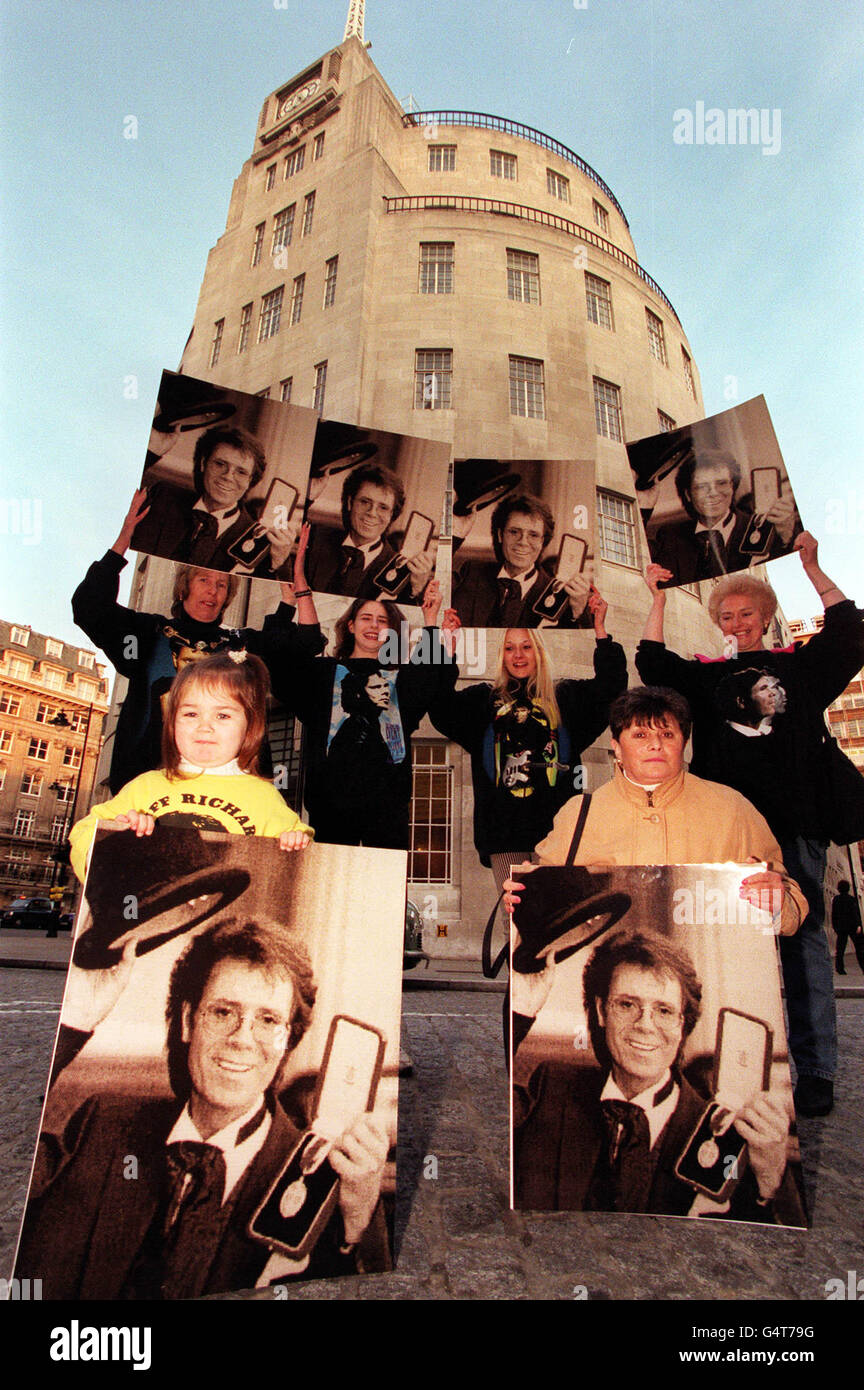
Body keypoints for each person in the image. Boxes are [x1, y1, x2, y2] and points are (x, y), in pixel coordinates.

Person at [14, 919, 390, 1298]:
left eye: (268, 1020)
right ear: (187, 1022)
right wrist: (71, 1020)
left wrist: (356, 1223)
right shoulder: (101, 1129)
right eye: (223, 1012)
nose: (242, 1039)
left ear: (287, 1042)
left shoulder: (324, 1181)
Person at [635, 532, 864, 1115]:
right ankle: (726, 1066)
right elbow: (652, 662)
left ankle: (813, 1072)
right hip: (728, 831)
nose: (737, 621)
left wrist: (812, 565)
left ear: (766, 618)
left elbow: (849, 630)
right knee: (726, 948)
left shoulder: (800, 670)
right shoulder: (709, 678)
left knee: (804, 942)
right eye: (727, 614)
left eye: (747, 613)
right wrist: (656, 598)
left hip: (795, 826)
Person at [512, 927, 803, 1223]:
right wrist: (519, 1011)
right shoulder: (551, 1089)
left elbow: (775, 1250)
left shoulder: (727, 1133)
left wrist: (770, 1181)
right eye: (627, 1005)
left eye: (663, 1011)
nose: (645, 1025)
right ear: (601, 1011)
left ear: (682, 1025)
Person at [72, 491, 325, 793]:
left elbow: (306, 646)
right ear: (184, 587)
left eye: (221, 584)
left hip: (226, 787)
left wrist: (298, 589)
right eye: (203, 580)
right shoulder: (148, 632)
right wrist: (125, 537)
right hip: (150, 782)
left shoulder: (240, 643)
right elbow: (88, 605)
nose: (213, 590)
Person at [504, 686, 807, 937]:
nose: (655, 745)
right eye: (640, 736)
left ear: (684, 744)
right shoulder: (578, 814)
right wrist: (522, 897)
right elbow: (541, 898)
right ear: (617, 748)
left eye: (667, 735)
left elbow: (789, 896)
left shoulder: (733, 809)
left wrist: (779, 903)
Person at [271, 526, 456, 849]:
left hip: (387, 813)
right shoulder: (323, 673)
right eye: (366, 618)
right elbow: (283, 665)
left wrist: (430, 621)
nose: (374, 626)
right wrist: (297, 597)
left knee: (382, 899)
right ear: (351, 625)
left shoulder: (400, 677)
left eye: (382, 620)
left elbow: (432, 681)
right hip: (329, 809)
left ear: (393, 630)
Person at [428, 595, 627, 881]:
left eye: (526, 647)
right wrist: (447, 648)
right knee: (514, 922)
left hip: (559, 834)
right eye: (510, 648)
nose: (518, 655)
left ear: (539, 652)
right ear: (502, 655)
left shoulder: (566, 699)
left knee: (556, 921)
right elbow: (440, 706)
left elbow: (612, 688)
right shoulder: (483, 702)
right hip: (504, 837)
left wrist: (600, 631)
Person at [69, 653, 312, 881]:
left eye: (223, 716)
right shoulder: (145, 786)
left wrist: (293, 844)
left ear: (250, 728)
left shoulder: (263, 796)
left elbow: (304, 863)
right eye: (191, 714)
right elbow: (83, 833)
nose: (204, 727)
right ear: (172, 723)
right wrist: (114, 838)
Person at [270, 461, 434, 602]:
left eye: (383, 507)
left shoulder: (402, 570)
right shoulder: (315, 539)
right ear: (350, 502)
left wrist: (417, 591)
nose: (372, 512)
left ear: (392, 515)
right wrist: (309, 496)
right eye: (364, 502)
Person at [650, 448, 800, 586]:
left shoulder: (767, 528)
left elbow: (787, 575)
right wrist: (644, 504)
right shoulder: (670, 535)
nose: (713, 493)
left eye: (721, 483)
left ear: (732, 487)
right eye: (702, 486)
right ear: (688, 494)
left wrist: (786, 537)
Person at [130, 423, 268, 570]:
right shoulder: (162, 497)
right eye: (220, 464)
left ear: (250, 481)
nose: (228, 476)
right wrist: (151, 453)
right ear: (203, 464)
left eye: (241, 472)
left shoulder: (257, 540)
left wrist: (278, 563)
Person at [452, 491, 593, 628]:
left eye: (533, 535)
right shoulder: (471, 573)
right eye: (514, 532)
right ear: (500, 535)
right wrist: (456, 535)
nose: (523, 542)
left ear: (543, 542)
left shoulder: (562, 595)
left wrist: (578, 613)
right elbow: (435, 601)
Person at [831, 880, 864, 976]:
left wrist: (835, 927)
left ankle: (840, 968)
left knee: (840, 949)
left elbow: (834, 914)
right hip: (852, 926)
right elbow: (855, 913)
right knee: (860, 948)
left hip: (841, 927)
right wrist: (858, 925)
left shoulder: (836, 899)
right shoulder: (851, 899)